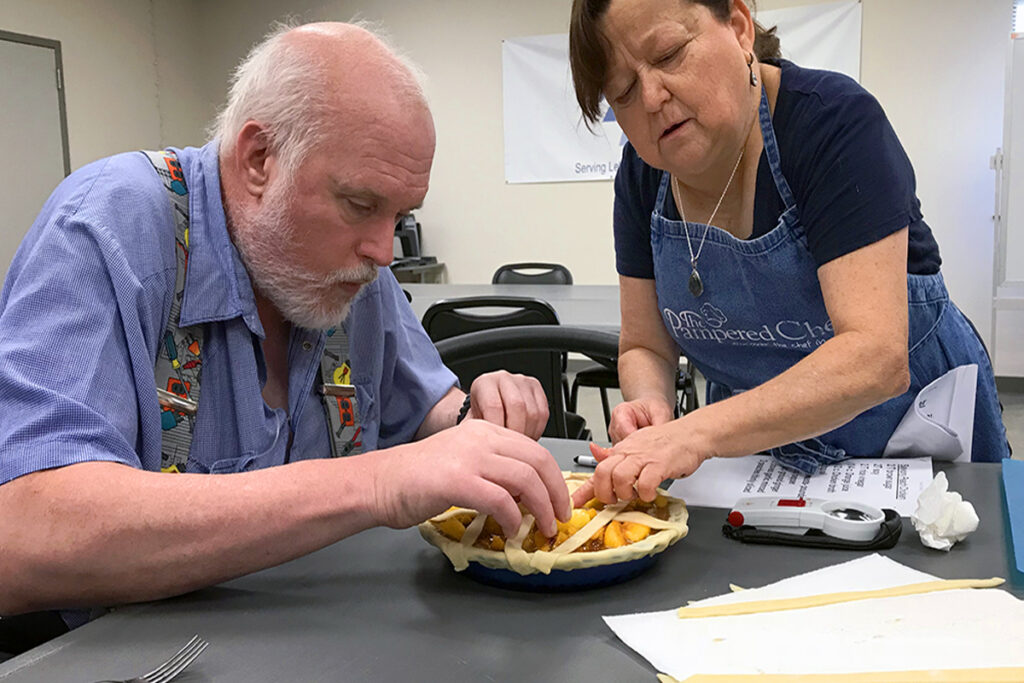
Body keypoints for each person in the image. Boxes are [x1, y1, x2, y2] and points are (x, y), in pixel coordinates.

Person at [0, 21, 571, 647]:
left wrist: (478, 414)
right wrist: (379, 482)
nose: (385, 250)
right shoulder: (112, 229)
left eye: (401, 216)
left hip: (325, 639)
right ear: (258, 160)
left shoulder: (353, 268)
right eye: (360, 204)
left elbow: (426, 416)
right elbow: (25, 535)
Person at [567, 0, 1010, 505]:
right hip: (763, 461)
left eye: (669, 54)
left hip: (918, 441)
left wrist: (694, 434)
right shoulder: (642, 178)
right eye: (621, 91)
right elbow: (645, 345)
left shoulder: (832, 125)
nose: (649, 97)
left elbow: (875, 358)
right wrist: (651, 404)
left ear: (738, 27)